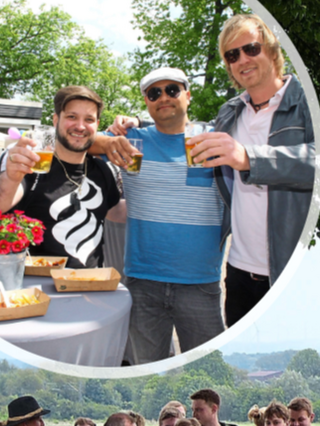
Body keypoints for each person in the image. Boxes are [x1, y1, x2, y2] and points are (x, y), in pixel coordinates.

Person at [93, 67, 226, 362]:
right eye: (154, 93)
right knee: (148, 369)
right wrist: (111, 138)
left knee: (206, 372)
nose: (163, 97)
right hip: (143, 281)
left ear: (188, 96)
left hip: (199, 282)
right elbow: (77, 140)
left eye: (172, 90)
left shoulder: (210, 140)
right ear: (146, 101)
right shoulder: (133, 143)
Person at [194, 13, 317, 326]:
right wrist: (138, 123)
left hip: (286, 273)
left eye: (251, 49)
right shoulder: (230, 112)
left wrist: (250, 158)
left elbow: (319, 163)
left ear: (273, 49)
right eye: (232, 55)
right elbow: (192, 134)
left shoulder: (306, 103)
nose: (242, 60)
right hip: (237, 273)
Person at [0, 86, 126, 267]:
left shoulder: (102, 170)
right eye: (72, 117)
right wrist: (11, 178)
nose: (80, 126)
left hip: (90, 286)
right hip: (37, 288)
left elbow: (113, 210)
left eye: (89, 119)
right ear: (56, 120)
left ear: (97, 125)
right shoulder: (35, 163)